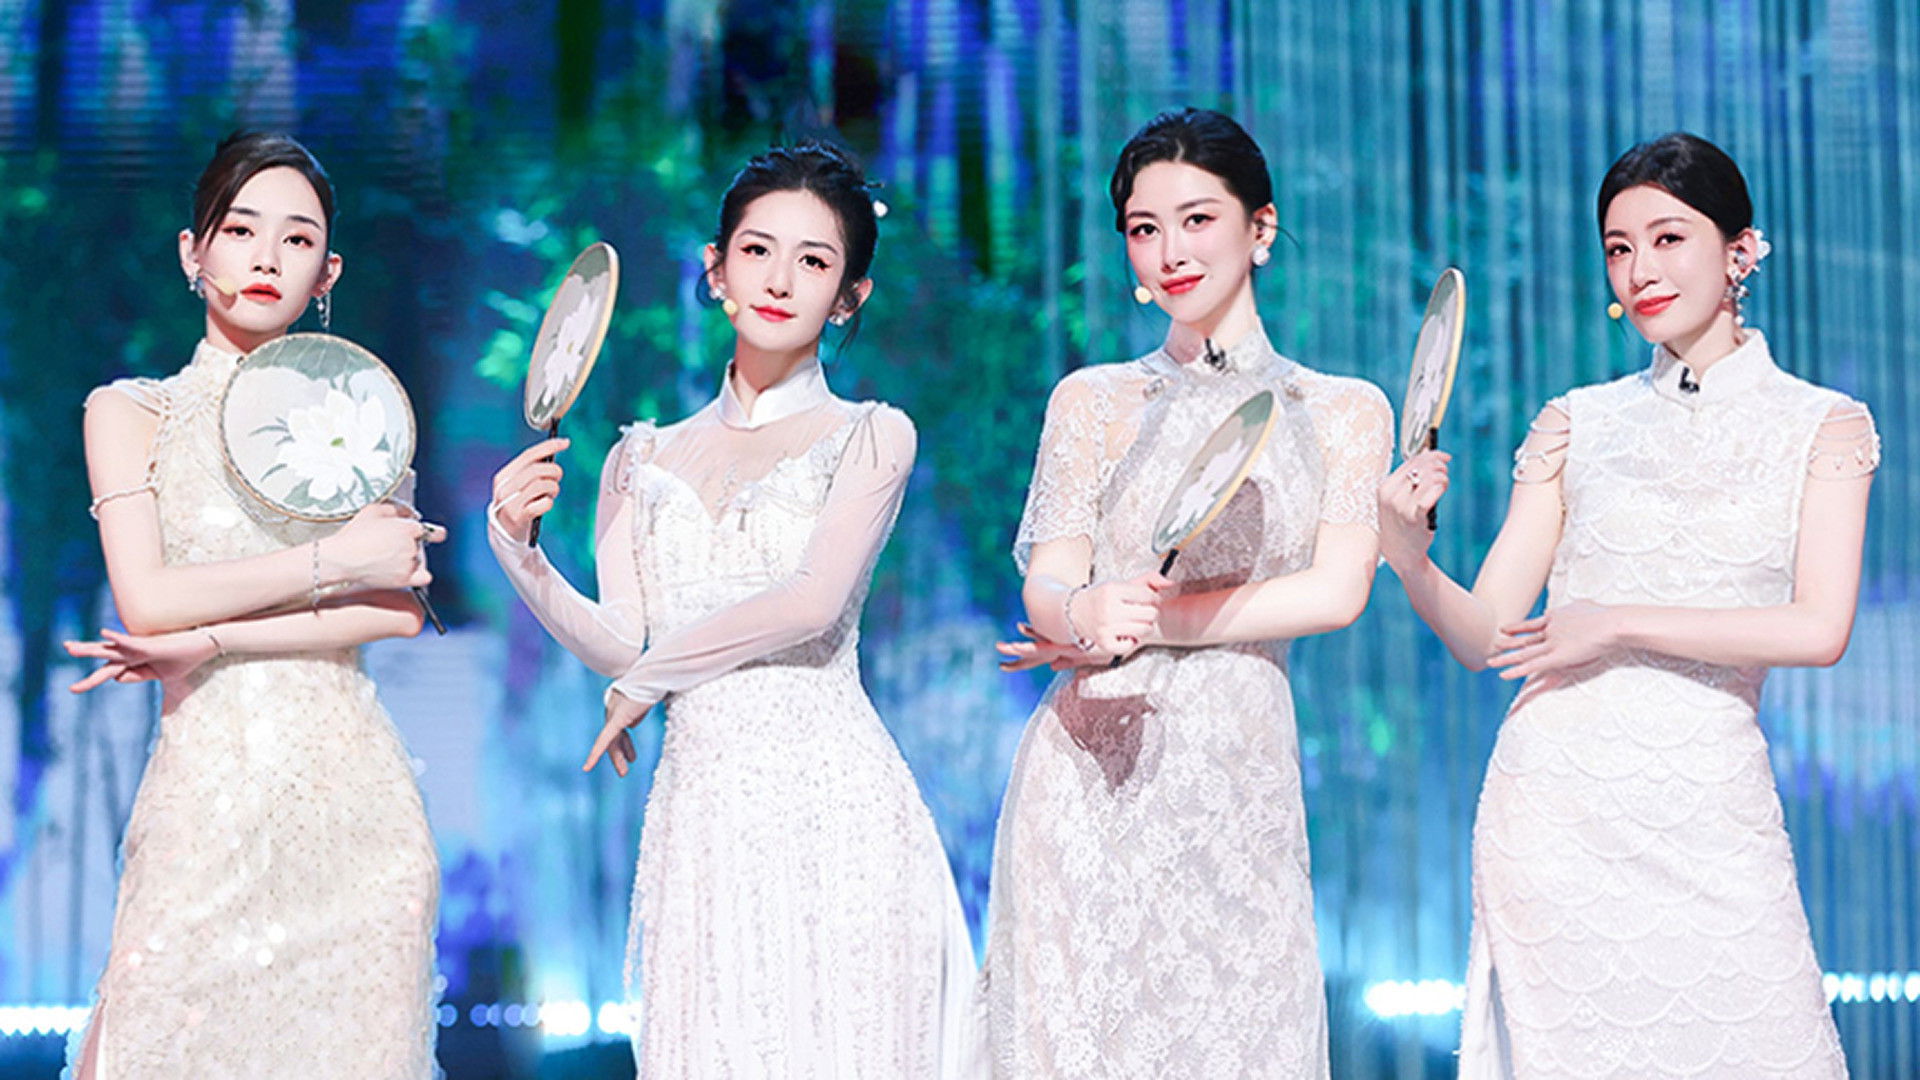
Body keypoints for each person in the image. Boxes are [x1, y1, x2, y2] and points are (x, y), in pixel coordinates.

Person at [1378, 132, 1871, 1077]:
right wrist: (1408, 558)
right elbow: (1488, 636)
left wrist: (1615, 620)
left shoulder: (1823, 423)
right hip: (1556, 810)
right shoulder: (1578, 421)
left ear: (1740, 251)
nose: (1641, 269)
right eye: (1618, 247)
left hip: (1712, 803)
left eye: (1668, 238)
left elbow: (1820, 628)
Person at [487, 141, 977, 1076]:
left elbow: (811, 601)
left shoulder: (872, 436)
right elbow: (621, 640)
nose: (780, 280)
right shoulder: (638, 458)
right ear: (716, 270)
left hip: (835, 807)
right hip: (704, 819)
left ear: (850, 298)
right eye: (757, 251)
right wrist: (516, 548)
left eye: (814, 261)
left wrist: (650, 679)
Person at [982, 107, 1391, 1079]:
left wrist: (1155, 620)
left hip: (1237, 770)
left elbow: (1337, 594)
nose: (1171, 251)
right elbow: (1049, 579)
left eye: (1198, 219)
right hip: (1093, 763)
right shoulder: (1091, 400)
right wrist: (1078, 613)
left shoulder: (1343, 410)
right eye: (1144, 227)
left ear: (1261, 226)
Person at [65, 131, 444, 1079]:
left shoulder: (361, 413)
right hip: (206, 803)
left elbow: (398, 608)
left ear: (328, 274)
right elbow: (147, 601)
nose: (268, 257)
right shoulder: (131, 412)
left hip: (357, 815)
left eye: (298, 238)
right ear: (193, 253)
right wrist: (333, 559)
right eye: (240, 230)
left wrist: (213, 639)